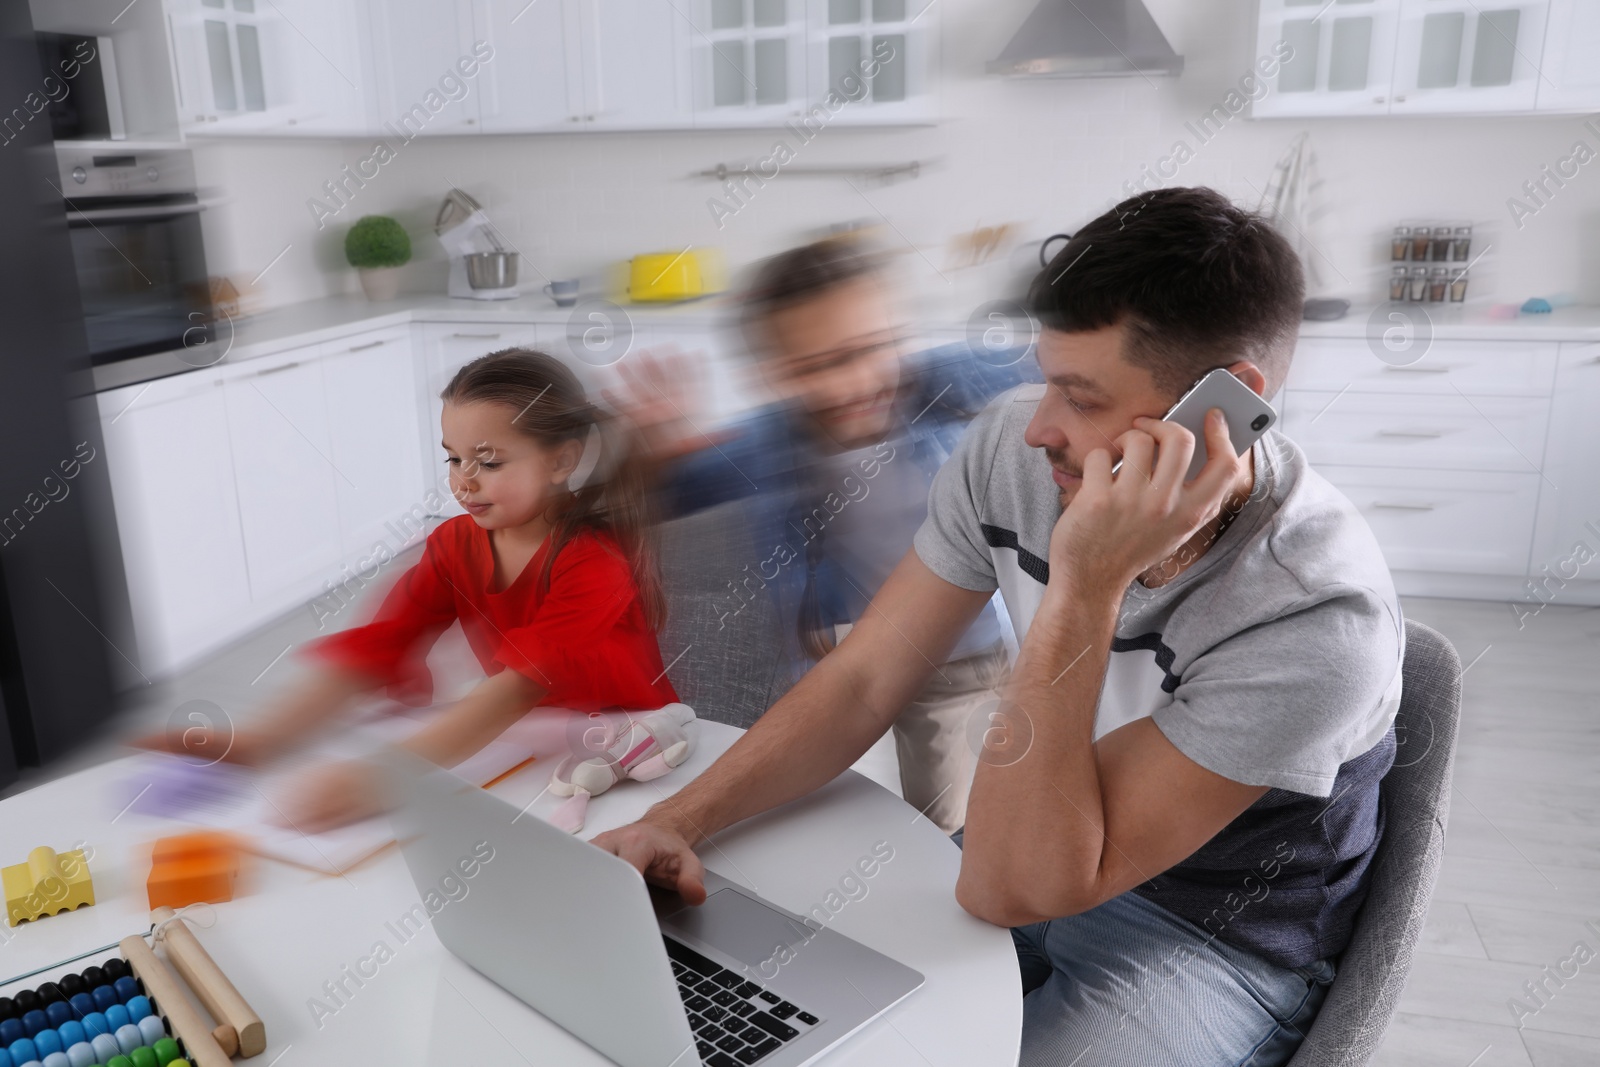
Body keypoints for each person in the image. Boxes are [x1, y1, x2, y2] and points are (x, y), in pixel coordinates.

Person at [594, 187, 1403, 1066]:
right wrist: (680, 818)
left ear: (1225, 407)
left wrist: (1087, 581)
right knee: (778, 998)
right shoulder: (1014, 449)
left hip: (1210, 938)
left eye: (1080, 396)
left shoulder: (1317, 618)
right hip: (1045, 839)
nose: (1036, 426)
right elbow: (869, 677)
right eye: (1043, 375)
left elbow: (1011, 886)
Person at [137, 349, 679, 832]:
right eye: (452, 457)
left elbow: (517, 689)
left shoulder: (595, 563)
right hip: (527, 748)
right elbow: (380, 646)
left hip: (632, 751)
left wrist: (383, 779)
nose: (463, 481)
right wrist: (261, 741)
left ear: (561, 461)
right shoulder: (453, 546)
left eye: (489, 462)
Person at [614, 237, 1038, 833]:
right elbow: (675, 489)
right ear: (773, 375)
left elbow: (1056, 367)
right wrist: (651, 454)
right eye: (814, 369)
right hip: (843, 656)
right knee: (814, 811)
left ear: (899, 335)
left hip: (958, 655)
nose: (852, 384)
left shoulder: (955, 384)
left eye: (869, 351)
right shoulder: (770, 443)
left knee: (951, 823)